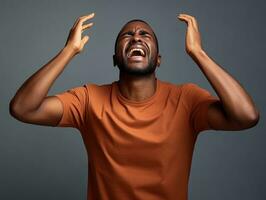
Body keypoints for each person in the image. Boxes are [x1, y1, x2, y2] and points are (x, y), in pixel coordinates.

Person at [9, 12, 259, 200]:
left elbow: (246, 116)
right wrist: (69, 51)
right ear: (116, 59)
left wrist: (198, 53)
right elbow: (23, 108)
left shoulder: (186, 99)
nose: (136, 36)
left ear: (158, 59)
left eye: (144, 35)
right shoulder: (88, 100)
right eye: (127, 35)